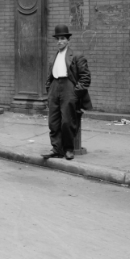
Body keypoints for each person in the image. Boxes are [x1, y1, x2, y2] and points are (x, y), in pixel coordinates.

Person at [44, 24, 92, 160]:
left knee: (67, 121)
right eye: (58, 39)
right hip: (54, 88)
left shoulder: (76, 56)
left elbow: (85, 77)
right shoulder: (54, 56)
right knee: (53, 121)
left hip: (68, 88)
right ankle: (56, 149)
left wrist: (76, 93)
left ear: (68, 40)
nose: (60, 41)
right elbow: (50, 75)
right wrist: (49, 88)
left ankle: (68, 149)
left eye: (62, 38)